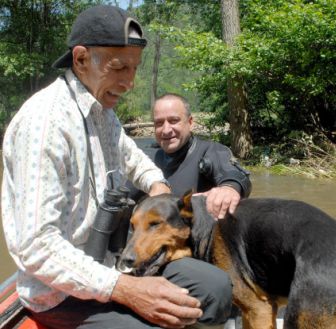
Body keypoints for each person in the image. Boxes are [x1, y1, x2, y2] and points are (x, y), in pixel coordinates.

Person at [1, 5, 232, 329]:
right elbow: (37, 248)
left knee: (217, 289)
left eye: (134, 69)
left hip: (113, 262)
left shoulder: (102, 113)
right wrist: (127, 289)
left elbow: (134, 158)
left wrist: (158, 186)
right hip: (61, 293)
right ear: (81, 59)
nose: (130, 83)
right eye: (119, 67)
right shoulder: (45, 125)